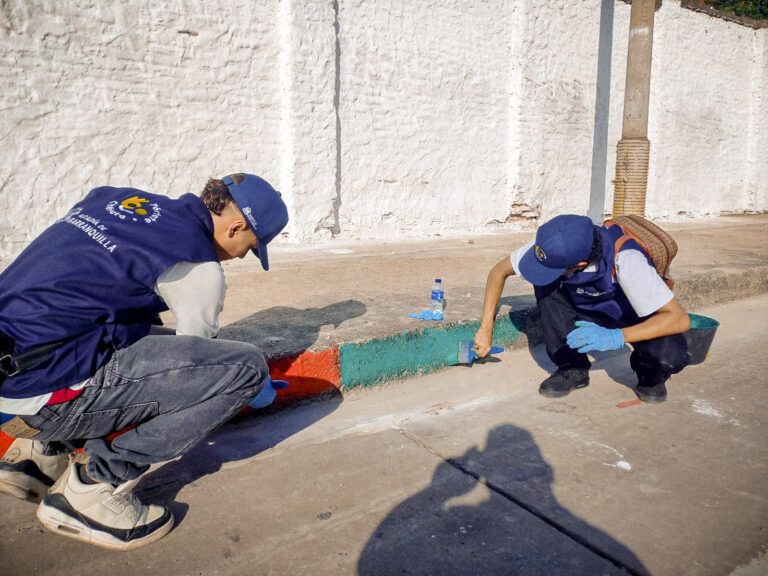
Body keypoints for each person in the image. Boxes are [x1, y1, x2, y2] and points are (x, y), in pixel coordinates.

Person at [0, 172, 288, 550]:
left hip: (13, 371)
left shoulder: (115, 201)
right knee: (244, 369)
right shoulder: (198, 265)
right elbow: (195, 366)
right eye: (249, 248)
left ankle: (37, 461)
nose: (239, 257)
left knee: (122, 325)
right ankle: (94, 488)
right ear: (237, 227)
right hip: (38, 395)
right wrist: (255, 385)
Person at [473, 214, 690, 403]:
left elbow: (679, 319)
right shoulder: (552, 246)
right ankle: (572, 368)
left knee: (669, 354)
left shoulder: (628, 259)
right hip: (583, 310)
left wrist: (617, 336)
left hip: (629, 315)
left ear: (580, 264)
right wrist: (485, 329)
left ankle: (649, 374)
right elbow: (498, 272)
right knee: (545, 283)